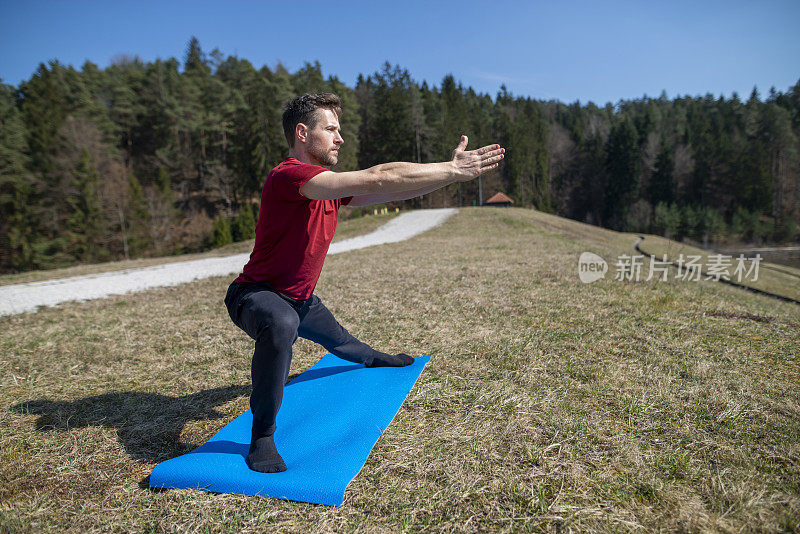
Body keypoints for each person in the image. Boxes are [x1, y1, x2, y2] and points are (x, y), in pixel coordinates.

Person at [225, 93, 504, 473]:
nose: (340, 138)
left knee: (343, 343)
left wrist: (446, 175)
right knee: (282, 324)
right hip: (255, 295)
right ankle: (262, 437)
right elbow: (380, 176)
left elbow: (393, 189)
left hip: (301, 299)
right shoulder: (288, 176)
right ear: (302, 133)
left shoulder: (328, 188)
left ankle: (374, 358)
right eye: (331, 129)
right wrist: (451, 169)